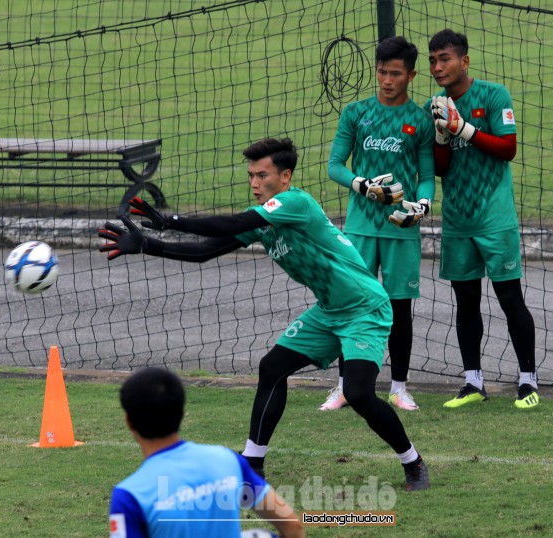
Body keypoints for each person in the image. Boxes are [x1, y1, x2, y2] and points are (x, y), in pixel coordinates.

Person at [99, 137, 430, 491]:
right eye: (251, 176)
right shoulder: (263, 219)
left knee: (360, 394)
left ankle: (413, 464)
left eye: (262, 175)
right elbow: (205, 252)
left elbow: (231, 223)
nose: (255, 183)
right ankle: (253, 464)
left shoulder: (295, 202)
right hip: (330, 310)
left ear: (285, 176)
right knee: (272, 368)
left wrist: (171, 220)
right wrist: (149, 245)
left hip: (365, 308)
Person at [426, 29, 539, 409]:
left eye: (444, 59)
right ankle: (472, 382)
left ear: (464, 61)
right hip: (457, 219)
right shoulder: (436, 104)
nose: (438, 67)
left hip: (494, 217)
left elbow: (507, 149)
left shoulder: (494, 95)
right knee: (466, 300)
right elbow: (441, 168)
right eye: (433, 60)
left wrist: (463, 129)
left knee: (510, 298)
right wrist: (443, 137)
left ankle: (528, 381)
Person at [322, 36, 435, 412]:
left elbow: (427, 175)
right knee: (352, 306)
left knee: (400, 309)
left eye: (396, 74)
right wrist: (362, 185)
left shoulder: (419, 120)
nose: (387, 80)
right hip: (359, 228)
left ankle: (398, 387)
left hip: (401, 229)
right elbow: (335, 165)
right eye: (383, 72)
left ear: (411, 75)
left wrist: (423, 202)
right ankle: (342, 387)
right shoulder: (355, 113)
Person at [108, 367, 305, 538]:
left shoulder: (129, 496)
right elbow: (292, 525)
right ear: (182, 413)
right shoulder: (228, 461)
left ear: (129, 422)